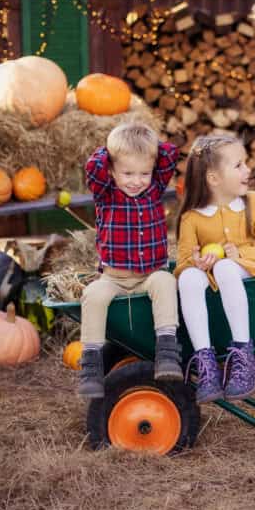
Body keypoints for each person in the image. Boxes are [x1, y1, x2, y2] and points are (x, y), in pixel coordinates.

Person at [78, 123, 183, 398]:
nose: (136, 180)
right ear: (112, 170)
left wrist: (148, 147)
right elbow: (93, 168)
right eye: (127, 173)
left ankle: (167, 351)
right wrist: (111, 151)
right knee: (93, 295)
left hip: (150, 274)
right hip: (114, 278)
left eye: (144, 173)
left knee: (165, 281)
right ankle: (91, 364)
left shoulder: (154, 189)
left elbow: (170, 154)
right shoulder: (106, 194)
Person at [174, 134, 255, 403]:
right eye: (238, 165)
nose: (248, 170)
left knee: (226, 269)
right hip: (212, 276)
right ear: (213, 178)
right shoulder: (192, 217)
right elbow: (183, 261)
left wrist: (238, 254)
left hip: (249, 270)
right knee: (187, 278)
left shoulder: (252, 202)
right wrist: (197, 262)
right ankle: (206, 362)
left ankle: (244, 354)